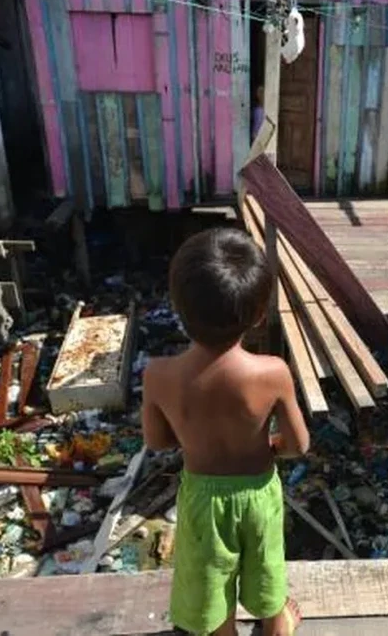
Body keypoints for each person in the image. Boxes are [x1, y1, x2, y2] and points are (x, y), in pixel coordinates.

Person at [142, 227, 309, 636]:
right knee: (266, 564)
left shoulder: (159, 375)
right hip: (257, 494)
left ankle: (224, 631)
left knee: (208, 580)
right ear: (258, 315)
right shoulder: (272, 373)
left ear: (179, 310)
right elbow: (298, 445)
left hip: (202, 499)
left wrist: (194, 434)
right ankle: (275, 624)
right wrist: (269, 445)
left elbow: (158, 441)